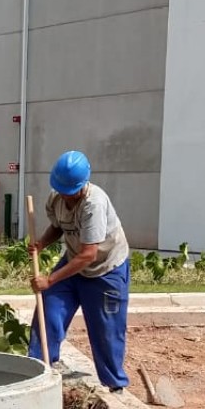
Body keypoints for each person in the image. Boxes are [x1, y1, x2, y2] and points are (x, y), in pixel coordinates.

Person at [28, 150, 131, 391]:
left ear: (82, 185)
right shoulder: (56, 198)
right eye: (62, 190)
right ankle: (38, 370)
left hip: (105, 269)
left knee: (106, 330)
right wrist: (42, 243)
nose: (66, 195)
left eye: (70, 191)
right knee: (49, 310)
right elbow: (58, 226)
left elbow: (89, 254)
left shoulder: (93, 204)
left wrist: (50, 279)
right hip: (74, 261)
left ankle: (115, 386)